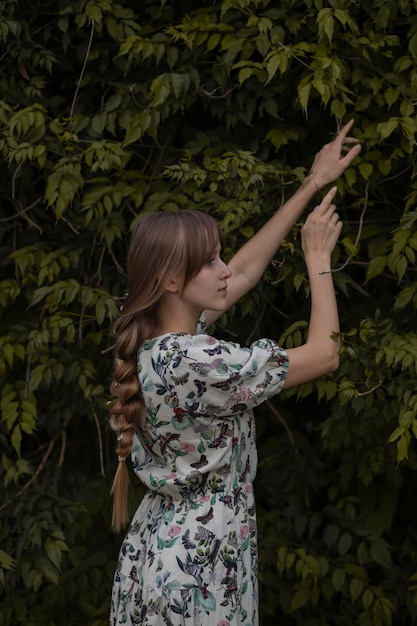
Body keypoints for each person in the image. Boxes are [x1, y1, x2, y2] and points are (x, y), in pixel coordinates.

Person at [108, 120, 361, 626]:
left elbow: (243, 272)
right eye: (210, 261)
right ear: (172, 279)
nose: (224, 268)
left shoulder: (158, 349)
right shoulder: (197, 362)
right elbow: (324, 355)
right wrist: (317, 259)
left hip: (161, 557)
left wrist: (312, 183)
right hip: (200, 570)